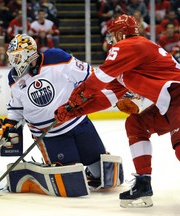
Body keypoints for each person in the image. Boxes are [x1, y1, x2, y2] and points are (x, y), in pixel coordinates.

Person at [54, 14, 180, 208]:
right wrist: (73, 112)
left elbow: (97, 80)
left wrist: (74, 99)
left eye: (113, 35)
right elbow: (106, 98)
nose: (111, 40)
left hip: (177, 96)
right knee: (136, 124)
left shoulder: (128, 46)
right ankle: (143, 184)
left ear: (120, 34)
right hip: (169, 102)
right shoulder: (128, 63)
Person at [0, 34, 124, 197]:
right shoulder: (14, 77)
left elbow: (89, 75)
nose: (13, 62)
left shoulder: (56, 58)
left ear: (29, 54)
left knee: (104, 175)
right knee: (68, 180)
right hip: (49, 134)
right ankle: (32, 178)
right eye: (11, 58)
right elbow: (16, 108)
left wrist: (106, 91)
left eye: (17, 58)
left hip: (78, 122)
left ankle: (88, 173)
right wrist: (10, 124)